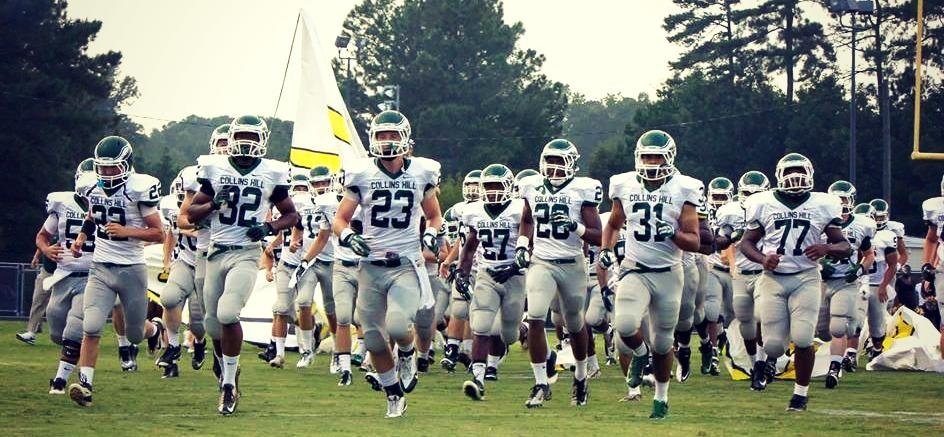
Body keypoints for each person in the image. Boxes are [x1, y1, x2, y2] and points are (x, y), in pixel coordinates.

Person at [332, 110, 442, 418]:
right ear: (372, 139)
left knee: (396, 324)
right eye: (382, 135)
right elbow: (340, 219)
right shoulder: (362, 174)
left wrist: (431, 235)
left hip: (406, 263)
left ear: (405, 138)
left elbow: (434, 215)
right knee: (373, 337)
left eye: (393, 135)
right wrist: (349, 237)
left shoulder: (422, 172)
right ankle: (393, 393)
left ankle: (407, 352)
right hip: (370, 266)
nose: (387, 141)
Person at [187, 115, 299, 415]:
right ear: (232, 139)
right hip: (215, 253)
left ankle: (227, 385)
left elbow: (292, 215)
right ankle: (227, 369)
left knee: (227, 312)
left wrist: (269, 227)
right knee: (213, 324)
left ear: (262, 140)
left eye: (252, 136)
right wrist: (211, 204)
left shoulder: (271, 172)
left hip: (247, 253)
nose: (247, 142)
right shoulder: (215, 169)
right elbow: (189, 216)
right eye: (242, 136)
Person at [601, 130, 701, 419]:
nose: (652, 161)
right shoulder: (623, 184)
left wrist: (675, 234)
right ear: (638, 157)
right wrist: (606, 249)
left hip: (669, 272)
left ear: (669, 158)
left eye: (657, 156)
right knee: (625, 324)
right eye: (647, 156)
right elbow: (613, 223)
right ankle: (640, 355)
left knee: (662, 342)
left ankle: (661, 397)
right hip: (634, 269)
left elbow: (694, 241)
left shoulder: (684, 188)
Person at [740, 153, 850, 412]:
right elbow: (746, 243)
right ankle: (767, 362)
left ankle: (800, 394)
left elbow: (844, 246)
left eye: (799, 170)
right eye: (789, 172)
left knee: (802, 338)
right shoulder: (764, 203)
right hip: (772, 279)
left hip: (806, 277)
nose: (794, 177)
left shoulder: (822, 204)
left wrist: (826, 247)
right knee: (774, 345)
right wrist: (762, 258)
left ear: (810, 174)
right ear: (779, 176)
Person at [67, 136, 167, 407]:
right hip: (100, 267)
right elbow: (92, 215)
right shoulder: (89, 186)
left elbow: (159, 233)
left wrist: (127, 232)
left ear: (126, 165)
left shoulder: (139, 189)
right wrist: (80, 238)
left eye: (113, 168)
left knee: (135, 334)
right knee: (91, 326)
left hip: (132, 269)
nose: (108, 173)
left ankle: (154, 330)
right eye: (103, 167)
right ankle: (85, 384)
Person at [516, 138, 602, 408]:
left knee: (575, 324)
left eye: (559, 161)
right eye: (550, 161)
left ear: (572, 165)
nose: (553, 167)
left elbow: (599, 235)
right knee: (536, 319)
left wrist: (575, 227)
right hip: (542, 261)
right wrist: (521, 243)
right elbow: (528, 219)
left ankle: (579, 376)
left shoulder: (582, 190)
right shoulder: (531, 186)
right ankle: (541, 383)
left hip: (572, 262)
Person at [456, 164, 525, 400]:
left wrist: (516, 265)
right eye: (489, 186)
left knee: (508, 334)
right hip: (487, 272)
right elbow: (470, 245)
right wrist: (462, 271)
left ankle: (525, 331)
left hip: (515, 275)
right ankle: (478, 376)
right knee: (482, 325)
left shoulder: (520, 209)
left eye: (497, 185)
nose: (493, 191)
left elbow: (531, 241)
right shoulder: (475, 211)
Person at [40, 159, 96, 393]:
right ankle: (75, 351)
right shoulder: (61, 203)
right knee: (57, 332)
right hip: (64, 275)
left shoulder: (109, 205)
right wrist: (46, 249)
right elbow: (42, 235)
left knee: (74, 327)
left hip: (93, 276)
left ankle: (60, 380)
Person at [816, 181, 875, 390]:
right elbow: (803, 250)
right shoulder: (819, 219)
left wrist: (859, 270)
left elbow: (869, 255)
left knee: (837, 326)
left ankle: (834, 368)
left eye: (844, 199)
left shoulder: (862, 225)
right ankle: (849, 332)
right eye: (837, 200)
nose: (841, 204)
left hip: (845, 282)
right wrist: (820, 263)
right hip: (820, 281)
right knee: (820, 330)